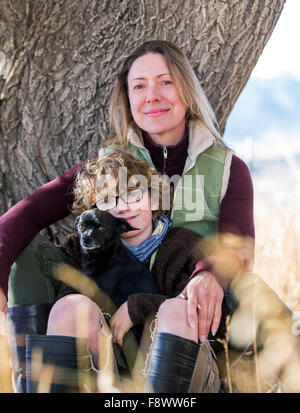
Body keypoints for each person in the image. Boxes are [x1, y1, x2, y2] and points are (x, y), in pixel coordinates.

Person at [1, 40, 255, 392]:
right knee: (35, 269)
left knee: (188, 309)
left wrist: (210, 273)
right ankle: (31, 380)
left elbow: (239, 246)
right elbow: (25, 214)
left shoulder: (227, 168)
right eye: (139, 86)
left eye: (165, 82)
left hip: (179, 319)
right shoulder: (109, 165)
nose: (152, 95)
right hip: (104, 331)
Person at [27, 148, 222, 393]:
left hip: (183, 372)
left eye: (133, 194)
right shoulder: (82, 249)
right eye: (107, 200)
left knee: (178, 309)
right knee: (69, 306)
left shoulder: (185, 245)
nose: (121, 207)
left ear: (153, 199)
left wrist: (137, 306)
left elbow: (198, 309)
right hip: (109, 367)